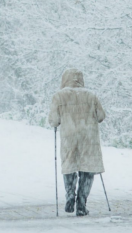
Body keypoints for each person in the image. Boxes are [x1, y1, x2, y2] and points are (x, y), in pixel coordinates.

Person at [48, 69, 106, 216]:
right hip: (88, 137)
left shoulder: (59, 96)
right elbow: (100, 116)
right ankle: (81, 203)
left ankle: (70, 195)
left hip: (69, 137)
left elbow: (54, 121)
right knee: (87, 168)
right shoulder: (91, 96)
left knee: (69, 165)